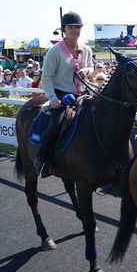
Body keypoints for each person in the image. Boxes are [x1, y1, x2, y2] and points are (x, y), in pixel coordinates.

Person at [35, 11, 93, 178]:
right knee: (57, 123)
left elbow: (91, 67)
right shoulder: (55, 51)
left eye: (78, 27)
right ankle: (43, 159)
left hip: (83, 93)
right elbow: (46, 77)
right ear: (63, 29)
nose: (75, 30)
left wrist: (86, 70)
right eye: (71, 27)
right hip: (61, 95)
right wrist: (53, 99)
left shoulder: (86, 49)